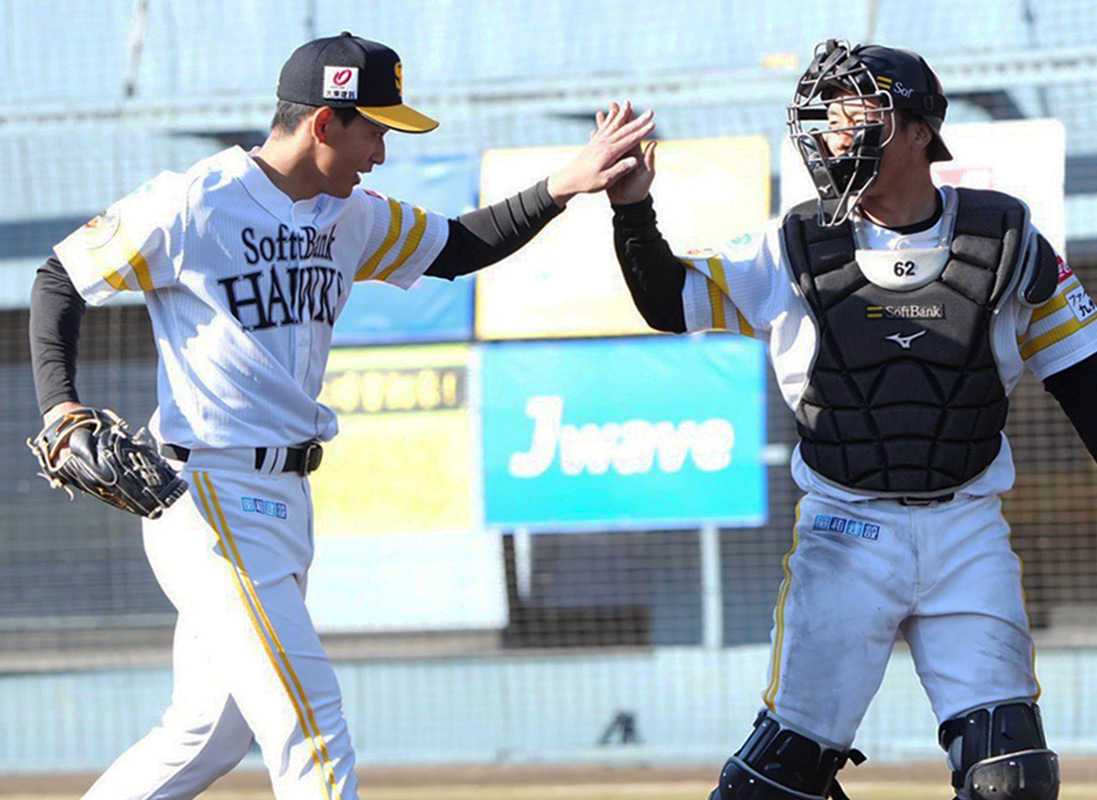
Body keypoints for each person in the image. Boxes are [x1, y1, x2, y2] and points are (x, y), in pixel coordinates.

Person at [28, 31, 652, 800]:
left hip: (285, 501)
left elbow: (455, 247)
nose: (382, 153)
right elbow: (60, 276)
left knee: (206, 736)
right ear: (325, 123)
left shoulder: (348, 214)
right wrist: (62, 409)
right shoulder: (194, 201)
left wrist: (561, 184)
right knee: (313, 730)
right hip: (205, 494)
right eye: (375, 129)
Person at [607, 39, 1097, 800]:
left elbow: (1077, 374)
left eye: (855, 114)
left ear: (917, 130)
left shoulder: (1006, 242)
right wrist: (631, 207)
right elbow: (662, 300)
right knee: (774, 787)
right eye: (825, 118)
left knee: (1013, 778)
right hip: (846, 530)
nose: (833, 134)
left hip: (966, 528)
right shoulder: (788, 246)